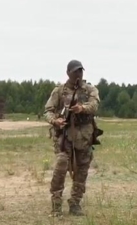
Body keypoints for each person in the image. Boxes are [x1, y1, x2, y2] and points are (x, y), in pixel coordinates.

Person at [43, 60, 100, 216]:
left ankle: (75, 203)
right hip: (65, 137)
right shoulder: (59, 91)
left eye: (80, 71)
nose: (78, 75)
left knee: (82, 171)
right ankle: (56, 204)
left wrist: (82, 108)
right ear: (68, 73)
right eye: (75, 72)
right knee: (61, 166)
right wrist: (55, 120)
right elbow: (48, 111)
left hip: (85, 136)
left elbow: (94, 105)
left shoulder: (90, 90)